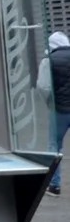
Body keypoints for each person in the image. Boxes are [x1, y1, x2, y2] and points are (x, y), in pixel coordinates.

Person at [39, 31, 70, 196]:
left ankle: (54, 186)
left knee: (54, 146)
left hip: (59, 110)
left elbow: (43, 87)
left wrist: (49, 103)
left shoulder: (48, 61)